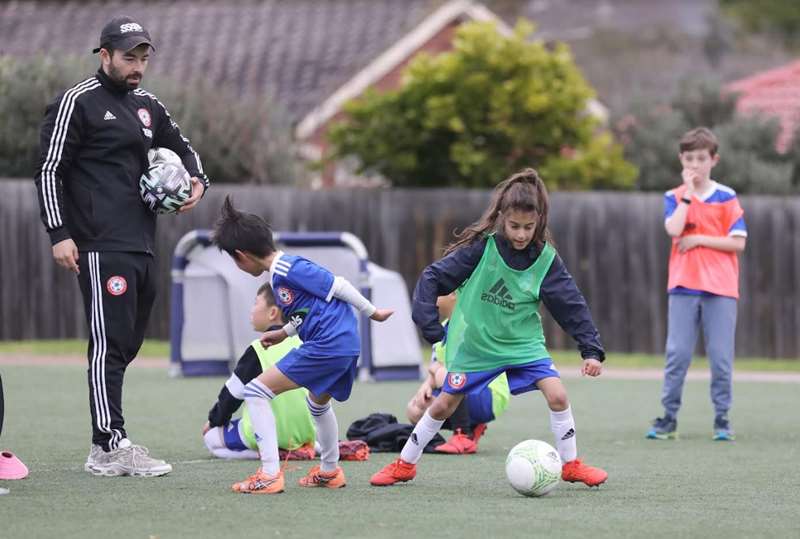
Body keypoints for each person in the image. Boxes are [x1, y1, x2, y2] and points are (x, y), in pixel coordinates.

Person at [33, 16, 209, 477]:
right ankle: (107, 445)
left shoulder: (149, 105)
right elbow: (49, 170)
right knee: (109, 344)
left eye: (143, 58)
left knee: (128, 343)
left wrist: (198, 182)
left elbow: (184, 147)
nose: (137, 66)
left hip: (143, 242)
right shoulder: (77, 102)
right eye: (129, 57)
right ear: (104, 55)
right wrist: (59, 232)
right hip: (96, 242)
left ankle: (109, 435)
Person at [370, 168, 608, 488]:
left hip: (523, 344)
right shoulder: (482, 249)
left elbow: (571, 305)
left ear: (539, 221)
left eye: (528, 227)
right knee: (443, 404)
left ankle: (571, 465)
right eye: (514, 227)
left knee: (558, 395)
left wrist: (591, 349)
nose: (521, 234)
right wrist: (428, 323)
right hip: (477, 345)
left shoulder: (546, 260)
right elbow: (433, 278)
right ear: (501, 219)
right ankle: (404, 465)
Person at [212, 196, 393, 494]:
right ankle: (330, 471)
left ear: (241, 256)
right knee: (317, 404)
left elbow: (340, 285)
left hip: (329, 344)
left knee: (255, 391)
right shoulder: (280, 277)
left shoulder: (287, 268)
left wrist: (372, 312)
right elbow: (307, 312)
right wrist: (284, 332)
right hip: (343, 344)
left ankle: (269, 475)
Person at [647, 127, 747, 442]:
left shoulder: (727, 196)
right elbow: (674, 229)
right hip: (682, 286)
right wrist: (688, 195)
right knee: (677, 355)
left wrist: (700, 239)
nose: (695, 163)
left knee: (720, 357)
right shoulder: (673, 197)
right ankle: (668, 418)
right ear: (681, 159)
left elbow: (738, 243)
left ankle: (721, 419)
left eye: (701, 158)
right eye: (689, 158)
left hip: (721, 289)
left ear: (713, 160)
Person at [202, 283, 368, 462]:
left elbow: (231, 396)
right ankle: (320, 448)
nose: (251, 310)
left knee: (211, 439)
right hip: (306, 433)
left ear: (273, 312)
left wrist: (213, 421)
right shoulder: (306, 344)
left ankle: (273, 453)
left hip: (266, 433)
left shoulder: (258, 349)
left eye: (256, 303)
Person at [406, 294, 510, 454]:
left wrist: (435, 371)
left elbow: (448, 371)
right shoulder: (443, 327)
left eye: (438, 291)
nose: (432, 294)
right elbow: (437, 366)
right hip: (462, 390)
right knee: (414, 410)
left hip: (487, 395)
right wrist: (426, 385)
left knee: (444, 375)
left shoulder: (472, 324)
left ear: (454, 295)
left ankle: (462, 435)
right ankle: (473, 426)